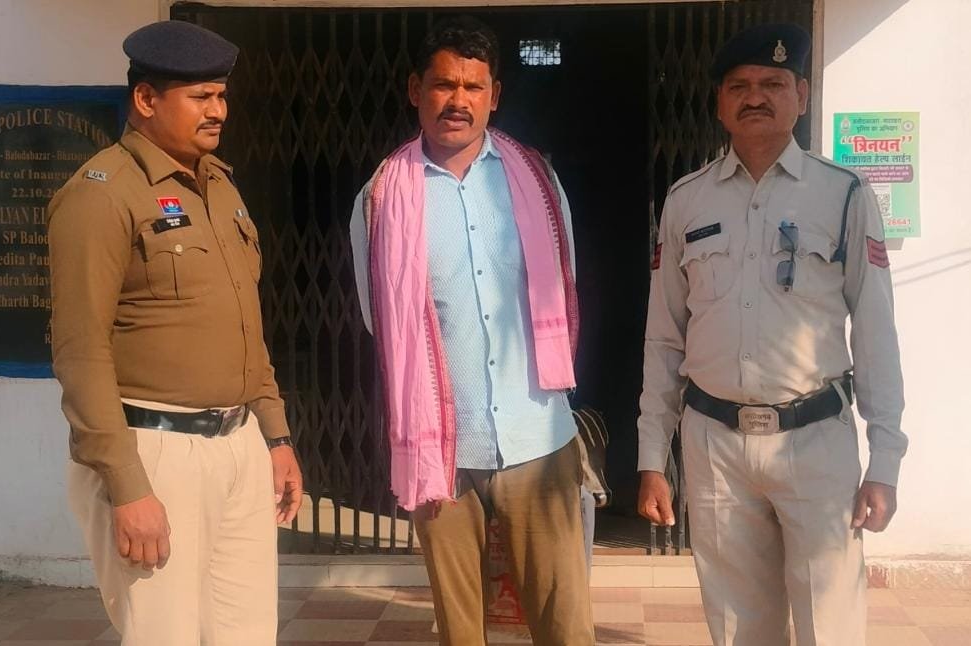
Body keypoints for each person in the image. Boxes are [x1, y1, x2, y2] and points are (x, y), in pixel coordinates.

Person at [635, 23, 906, 646]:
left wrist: (886, 460)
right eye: (739, 86)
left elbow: (875, 331)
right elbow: (664, 337)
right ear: (719, 102)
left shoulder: (844, 195)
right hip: (715, 446)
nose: (755, 96)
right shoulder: (685, 201)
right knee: (738, 628)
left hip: (816, 441)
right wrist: (652, 457)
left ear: (801, 96)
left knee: (829, 626)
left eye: (773, 84)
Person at [48, 20, 302, 646]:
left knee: (248, 635)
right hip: (155, 451)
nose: (218, 111)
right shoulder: (102, 195)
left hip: (238, 443)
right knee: (164, 634)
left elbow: (245, 324)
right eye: (200, 97)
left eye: (221, 96)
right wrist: (128, 486)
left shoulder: (219, 185)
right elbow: (80, 352)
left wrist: (275, 436)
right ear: (145, 99)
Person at [348, 16, 594, 646]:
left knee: (564, 624)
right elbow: (381, 321)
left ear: (494, 95)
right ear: (415, 90)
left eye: (473, 86)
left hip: (536, 435)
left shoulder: (536, 181)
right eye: (443, 84)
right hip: (441, 451)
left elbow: (564, 288)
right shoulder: (382, 197)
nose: (457, 100)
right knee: (459, 631)